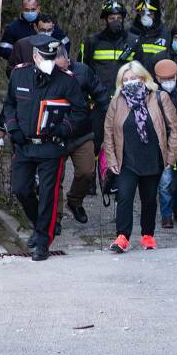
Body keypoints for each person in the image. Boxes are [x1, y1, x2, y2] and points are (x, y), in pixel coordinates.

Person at [1, 34, 87, 261]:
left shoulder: (66, 81)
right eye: (44, 57)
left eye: (52, 57)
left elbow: (80, 112)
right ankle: (40, 225)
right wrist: (12, 128)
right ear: (34, 56)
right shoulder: (19, 75)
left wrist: (64, 128)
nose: (48, 61)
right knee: (21, 189)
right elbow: (9, 105)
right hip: (25, 145)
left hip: (51, 148)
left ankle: (42, 242)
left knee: (48, 195)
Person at [103, 61, 177, 253]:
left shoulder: (160, 97)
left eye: (133, 78)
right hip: (127, 158)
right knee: (124, 196)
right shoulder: (117, 101)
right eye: (125, 79)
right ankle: (122, 237)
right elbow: (108, 131)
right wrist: (111, 159)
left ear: (143, 77)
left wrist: (171, 158)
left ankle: (148, 235)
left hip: (152, 158)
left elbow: (173, 128)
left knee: (149, 199)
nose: (130, 82)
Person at [55, 46, 110, 226]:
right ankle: (55, 218)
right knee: (56, 178)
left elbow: (100, 92)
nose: (61, 73)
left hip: (82, 131)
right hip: (57, 134)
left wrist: (109, 113)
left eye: (63, 69)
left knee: (87, 171)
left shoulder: (83, 71)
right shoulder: (46, 74)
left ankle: (75, 201)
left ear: (68, 60)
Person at [154, 59, 177, 228]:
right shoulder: (152, 95)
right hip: (162, 145)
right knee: (165, 182)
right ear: (157, 78)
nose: (168, 82)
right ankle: (166, 215)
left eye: (171, 78)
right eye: (164, 79)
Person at [80, 0, 138, 92]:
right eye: (112, 18)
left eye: (119, 18)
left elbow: (140, 70)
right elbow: (83, 70)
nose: (116, 21)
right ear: (105, 20)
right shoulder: (92, 41)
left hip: (127, 95)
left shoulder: (133, 41)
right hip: (99, 96)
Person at [0, 0, 70, 71]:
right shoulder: (13, 27)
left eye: (33, 9)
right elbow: (4, 48)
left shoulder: (46, 23)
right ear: (22, 9)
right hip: (22, 69)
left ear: (38, 9)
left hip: (47, 68)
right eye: (27, 10)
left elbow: (65, 42)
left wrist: (55, 58)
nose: (30, 12)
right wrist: (21, 56)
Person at [131, 0, 172, 72]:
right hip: (134, 80)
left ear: (156, 15)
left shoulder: (166, 35)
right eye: (142, 13)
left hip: (157, 80)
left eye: (150, 14)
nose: (145, 17)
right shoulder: (130, 33)